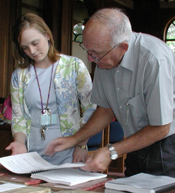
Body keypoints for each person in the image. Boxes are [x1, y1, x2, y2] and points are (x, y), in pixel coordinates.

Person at [45, 8, 175, 177]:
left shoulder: (154, 60)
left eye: (96, 54)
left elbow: (161, 128)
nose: (90, 59)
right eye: (88, 51)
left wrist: (110, 151)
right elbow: (105, 110)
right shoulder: (105, 59)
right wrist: (75, 139)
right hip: (135, 143)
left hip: (167, 147)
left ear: (123, 47)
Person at [5, 12, 96, 165]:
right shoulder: (19, 76)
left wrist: (81, 144)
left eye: (35, 43)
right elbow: (18, 116)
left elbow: (91, 108)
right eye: (25, 48)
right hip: (33, 155)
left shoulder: (74, 66)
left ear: (47, 35)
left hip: (70, 153)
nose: (32, 51)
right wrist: (19, 142)